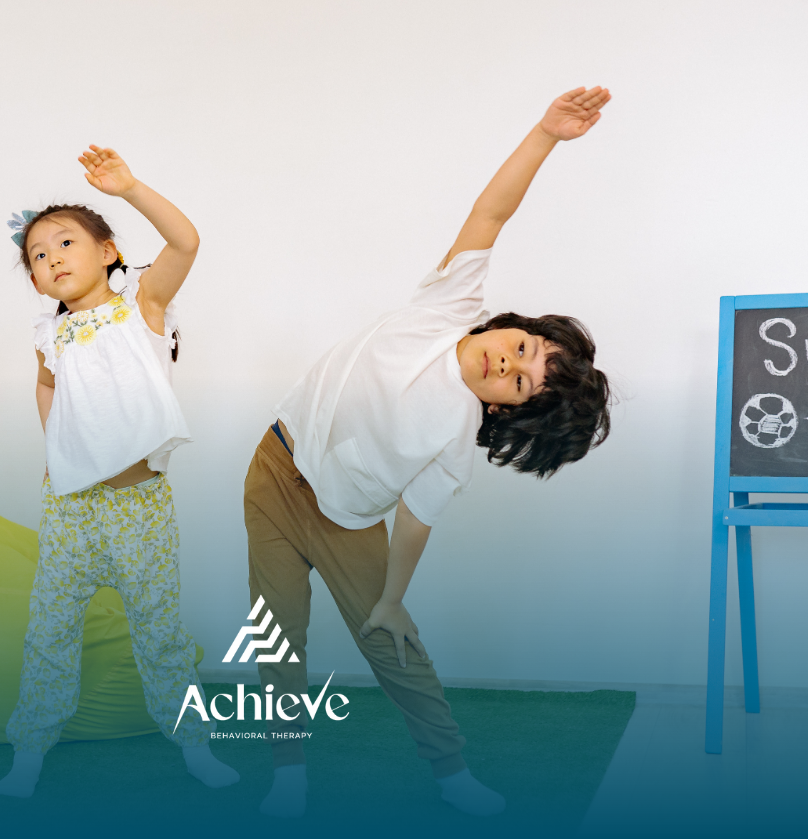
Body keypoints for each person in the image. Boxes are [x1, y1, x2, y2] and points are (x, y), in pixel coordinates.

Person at [246, 87, 614, 818]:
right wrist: (545, 133)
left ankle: (450, 772)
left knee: (391, 646)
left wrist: (392, 599)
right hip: (272, 468)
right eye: (518, 350)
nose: (503, 367)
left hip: (345, 519)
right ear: (511, 326)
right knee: (275, 633)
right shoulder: (446, 307)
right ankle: (287, 770)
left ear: (509, 412)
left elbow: (416, 522)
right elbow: (491, 214)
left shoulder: (452, 439)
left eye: (517, 385)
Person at [0, 146, 239, 798]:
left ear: (107, 251)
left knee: (159, 633)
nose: (51, 259)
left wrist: (129, 187)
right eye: (39, 256)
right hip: (71, 509)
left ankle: (193, 745)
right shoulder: (50, 334)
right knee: (50, 631)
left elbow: (185, 242)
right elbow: (46, 388)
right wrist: (55, 453)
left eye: (65, 242)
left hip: (140, 507)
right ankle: (30, 750)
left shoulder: (143, 308)